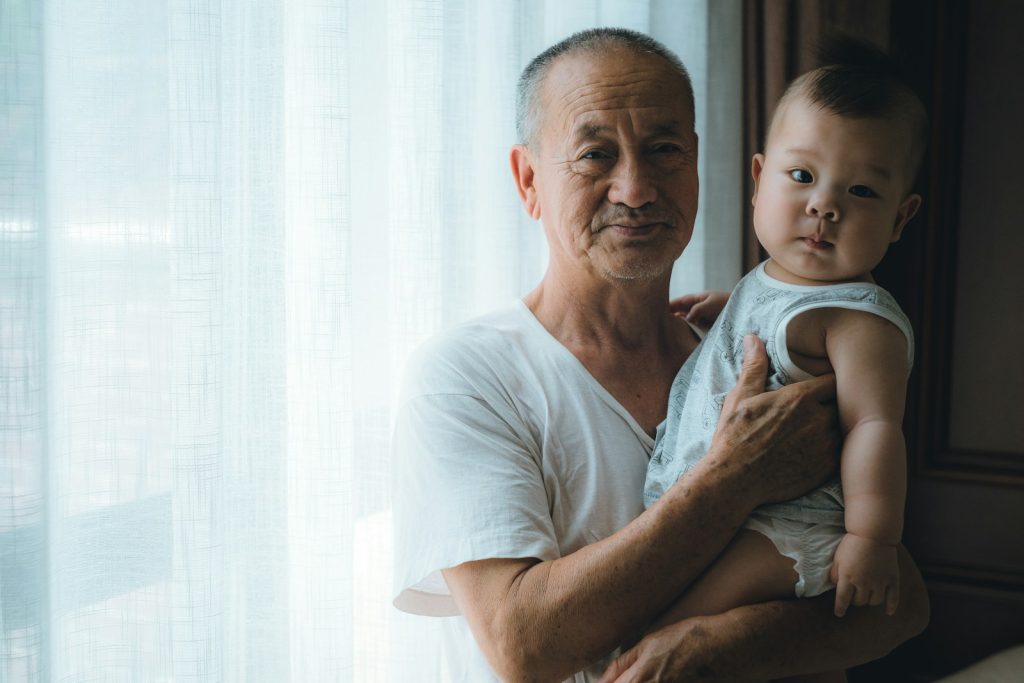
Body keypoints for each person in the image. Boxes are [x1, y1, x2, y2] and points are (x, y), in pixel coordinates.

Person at [392, 28, 928, 683]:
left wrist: (715, 646)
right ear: (528, 179)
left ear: (698, 164)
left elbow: (899, 604)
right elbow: (523, 645)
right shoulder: (466, 375)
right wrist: (733, 478)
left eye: (664, 149)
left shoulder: (750, 346)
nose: (637, 188)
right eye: (595, 155)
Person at [640, 45, 927, 681]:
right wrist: (732, 308)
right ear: (759, 177)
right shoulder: (776, 277)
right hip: (743, 516)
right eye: (802, 177)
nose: (824, 206)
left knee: (663, 637)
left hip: (784, 533)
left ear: (900, 217)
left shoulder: (860, 318)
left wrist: (871, 540)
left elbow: (875, 428)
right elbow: (778, 319)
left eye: (860, 190)